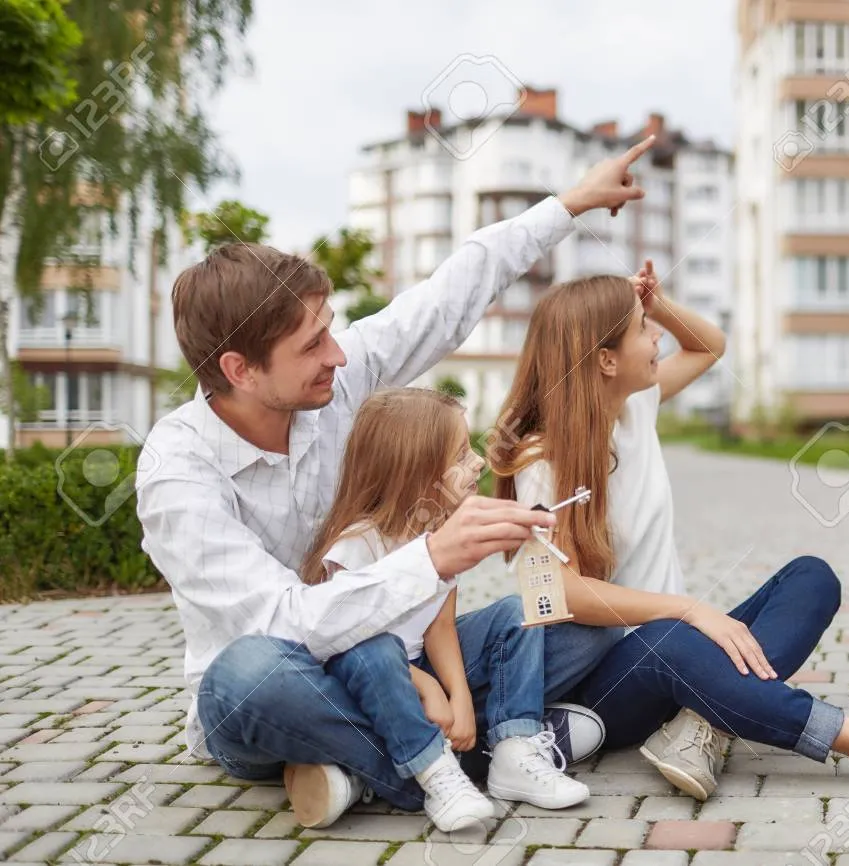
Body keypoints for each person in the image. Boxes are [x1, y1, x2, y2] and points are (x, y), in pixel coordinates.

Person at [135, 137, 653, 828]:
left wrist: (570, 203)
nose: (338, 355)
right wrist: (433, 559)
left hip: (393, 661)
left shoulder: (333, 385)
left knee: (568, 626)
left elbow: (445, 299)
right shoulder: (178, 469)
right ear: (239, 370)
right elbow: (284, 624)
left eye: (329, 331)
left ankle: (373, 763)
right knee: (248, 673)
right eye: (312, 346)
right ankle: (452, 763)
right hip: (289, 682)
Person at [489, 262, 849, 801]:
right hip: (607, 686)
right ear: (606, 360)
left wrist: (655, 303)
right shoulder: (539, 459)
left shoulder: (634, 405)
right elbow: (552, 595)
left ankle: (702, 726)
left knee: (811, 579)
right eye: (641, 330)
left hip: (674, 642)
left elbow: (707, 347)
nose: (656, 337)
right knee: (671, 640)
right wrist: (687, 608)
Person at [293, 387, 589, 830]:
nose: (478, 463)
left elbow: (441, 627)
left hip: (420, 663)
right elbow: (347, 643)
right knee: (372, 654)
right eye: (460, 454)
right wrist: (432, 690)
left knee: (514, 612)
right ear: (415, 472)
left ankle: (515, 747)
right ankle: (429, 772)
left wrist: (461, 699)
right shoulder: (359, 544)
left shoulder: (442, 532)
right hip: (371, 674)